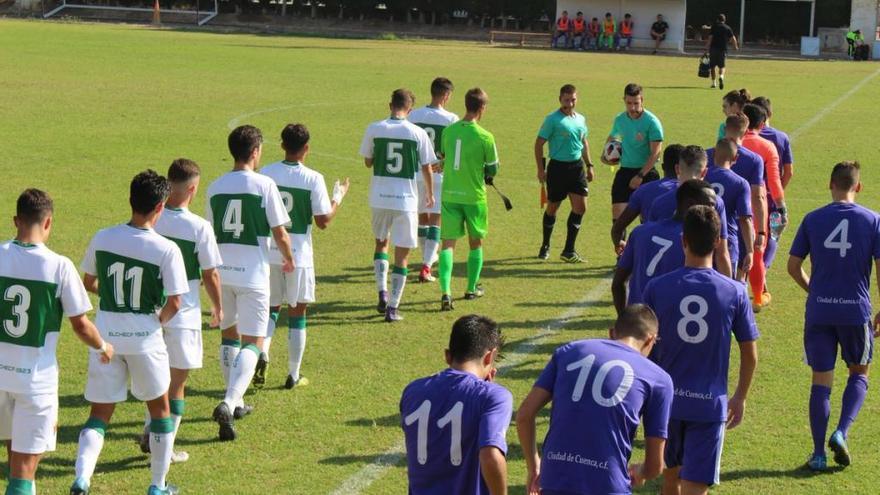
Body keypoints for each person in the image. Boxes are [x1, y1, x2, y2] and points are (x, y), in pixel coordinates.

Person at [72, 170, 189, 495]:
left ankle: (82, 479)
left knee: (99, 413)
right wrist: (157, 320)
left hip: (106, 334)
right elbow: (176, 302)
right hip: (145, 337)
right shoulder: (166, 249)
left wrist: (112, 298)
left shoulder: (104, 236)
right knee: (160, 410)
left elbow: (90, 283)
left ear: (130, 200)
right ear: (160, 207)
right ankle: (157, 485)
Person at [0, 189, 113, 495]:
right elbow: (81, 325)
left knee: (15, 462)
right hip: (35, 382)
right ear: (48, 222)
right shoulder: (59, 266)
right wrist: (103, 347)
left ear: (15, 220)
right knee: (23, 472)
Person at [643, 205, 759, 495]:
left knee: (670, 481)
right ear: (719, 241)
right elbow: (749, 352)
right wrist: (740, 397)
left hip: (665, 404)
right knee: (696, 487)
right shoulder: (734, 292)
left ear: (683, 240)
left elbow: (641, 348)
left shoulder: (657, 288)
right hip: (709, 405)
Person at [516, 304, 673, 495]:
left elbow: (524, 414)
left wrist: (535, 467)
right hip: (608, 485)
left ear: (611, 333)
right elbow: (655, 466)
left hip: (555, 478)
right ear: (650, 340)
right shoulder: (659, 379)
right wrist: (641, 472)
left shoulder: (570, 351)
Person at [787, 161, 880, 471]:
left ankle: (817, 453)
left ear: (830, 184)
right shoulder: (872, 221)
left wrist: (812, 290)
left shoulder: (813, 219)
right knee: (859, 373)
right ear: (858, 187)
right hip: (855, 311)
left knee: (820, 382)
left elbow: (792, 265)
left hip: (819, 311)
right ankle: (841, 432)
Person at [207, 125, 294, 441]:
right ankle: (230, 401)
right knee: (254, 342)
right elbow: (280, 231)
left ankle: (238, 400)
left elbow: (210, 232)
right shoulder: (264, 185)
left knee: (228, 336)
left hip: (221, 270)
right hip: (253, 274)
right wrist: (288, 257)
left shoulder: (215, 187)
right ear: (255, 151)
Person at [138, 159, 223, 463]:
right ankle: (166, 447)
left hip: (151, 311)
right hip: (183, 312)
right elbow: (210, 274)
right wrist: (217, 306)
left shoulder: (151, 219)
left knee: (157, 378)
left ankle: (151, 428)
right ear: (192, 188)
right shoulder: (199, 226)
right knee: (177, 384)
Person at [260, 124, 349, 390]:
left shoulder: (266, 174)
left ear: (281, 145)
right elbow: (323, 221)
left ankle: (262, 351)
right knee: (297, 313)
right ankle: (293, 374)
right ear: (306, 148)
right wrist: (338, 197)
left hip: (270, 252)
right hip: (297, 254)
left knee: (271, 308)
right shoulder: (313, 178)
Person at [400, 314, 512, 495]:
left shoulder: (412, 391)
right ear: (489, 356)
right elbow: (490, 454)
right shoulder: (495, 397)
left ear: (447, 356)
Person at [360, 89, 436, 322]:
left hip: (379, 196)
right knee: (402, 256)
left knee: (381, 243)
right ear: (410, 109)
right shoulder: (417, 132)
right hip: (405, 200)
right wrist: (430, 194)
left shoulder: (374, 128)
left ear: (389, 104)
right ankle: (393, 307)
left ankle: (381, 292)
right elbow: (427, 167)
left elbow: (368, 161)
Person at [612, 180, 718, 314]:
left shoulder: (640, 232)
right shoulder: (695, 239)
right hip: (674, 320)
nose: (713, 210)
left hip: (639, 323)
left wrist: (624, 318)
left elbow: (618, 283)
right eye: (711, 205)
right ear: (691, 204)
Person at [438, 88, 499, 311]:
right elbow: (493, 168)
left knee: (448, 244)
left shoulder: (449, 131)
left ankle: (445, 293)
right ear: (482, 108)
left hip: (450, 194)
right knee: (476, 242)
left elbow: (443, 156)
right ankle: (471, 288)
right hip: (474, 197)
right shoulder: (485, 136)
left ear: (466, 104)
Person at [644, 145, 733, 277]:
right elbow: (722, 252)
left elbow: (649, 244)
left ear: (677, 169)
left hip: (665, 278)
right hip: (702, 279)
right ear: (704, 172)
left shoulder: (659, 203)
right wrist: (727, 286)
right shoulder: (715, 202)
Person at [535, 84, 595, 263]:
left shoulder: (581, 119)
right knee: (553, 208)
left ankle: (569, 250)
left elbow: (584, 142)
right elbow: (539, 144)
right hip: (558, 169)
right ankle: (545, 245)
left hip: (577, 168)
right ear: (560, 99)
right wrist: (540, 169)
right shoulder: (552, 119)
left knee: (581, 208)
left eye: (573, 99)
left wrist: (589, 165)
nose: (570, 103)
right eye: (567, 100)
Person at [409, 77, 459, 283]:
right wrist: (443, 162)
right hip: (438, 174)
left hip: (417, 173)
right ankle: (427, 266)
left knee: (422, 216)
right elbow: (455, 149)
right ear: (447, 95)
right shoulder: (451, 119)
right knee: (436, 218)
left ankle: (425, 259)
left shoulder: (415, 115)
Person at [707, 113, 766, 280]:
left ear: (725, 128)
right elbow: (757, 197)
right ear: (746, 131)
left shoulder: (707, 155)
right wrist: (760, 232)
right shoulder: (754, 160)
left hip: (703, 229)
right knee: (735, 280)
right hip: (735, 231)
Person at [741, 103, 787, 311]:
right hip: (760, 202)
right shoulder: (769, 146)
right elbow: (775, 181)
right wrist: (781, 206)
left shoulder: (732, 142)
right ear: (762, 123)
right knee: (760, 247)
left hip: (732, 201)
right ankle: (758, 296)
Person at [604, 83, 664, 243]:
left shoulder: (652, 122)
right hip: (625, 171)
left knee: (648, 218)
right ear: (624, 100)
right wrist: (606, 156)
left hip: (647, 173)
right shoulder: (620, 119)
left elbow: (656, 153)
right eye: (629, 103)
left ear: (642, 100)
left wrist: (640, 175)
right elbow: (612, 139)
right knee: (618, 217)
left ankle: (646, 253)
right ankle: (621, 256)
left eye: (636, 103)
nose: (632, 107)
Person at [610, 144, 682, 254]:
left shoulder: (643, 191)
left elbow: (617, 228)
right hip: (679, 252)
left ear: (662, 167)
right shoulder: (693, 191)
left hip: (648, 251)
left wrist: (618, 243)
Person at [752, 96, 794, 284]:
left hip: (751, 196)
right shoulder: (780, 137)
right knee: (775, 233)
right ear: (769, 114)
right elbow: (789, 171)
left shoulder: (748, 138)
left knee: (754, 233)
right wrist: (777, 193)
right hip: (772, 197)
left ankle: (751, 271)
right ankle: (764, 268)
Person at [706, 138, 754, 279]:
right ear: (736, 158)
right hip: (728, 243)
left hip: (701, 239)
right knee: (726, 287)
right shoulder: (740, 183)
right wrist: (750, 251)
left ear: (713, 153)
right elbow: (745, 219)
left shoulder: (702, 176)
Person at [705, 13, 739, 90]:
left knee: (712, 67)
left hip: (713, 49)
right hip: (723, 50)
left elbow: (710, 37)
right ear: (724, 20)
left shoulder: (714, 27)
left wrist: (707, 47)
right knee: (722, 66)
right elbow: (733, 38)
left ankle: (714, 83)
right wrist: (735, 47)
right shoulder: (727, 28)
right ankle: (721, 77)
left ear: (717, 20)